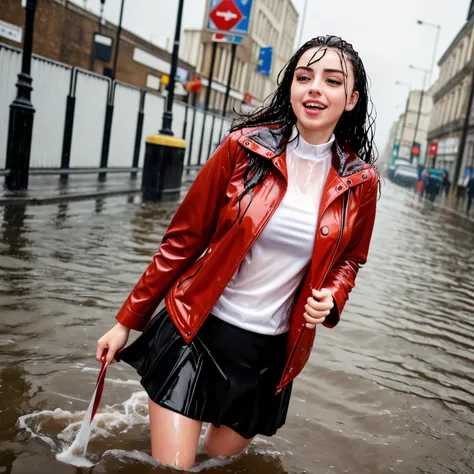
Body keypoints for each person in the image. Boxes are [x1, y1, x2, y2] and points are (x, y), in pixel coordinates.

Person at [96, 35, 379, 469]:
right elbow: (182, 241)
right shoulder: (243, 149)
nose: (315, 88)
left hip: (266, 358)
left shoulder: (361, 183)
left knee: (216, 465)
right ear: (291, 88)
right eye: (304, 77)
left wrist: (334, 295)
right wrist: (125, 322)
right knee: (173, 468)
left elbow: (351, 258)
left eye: (332, 81)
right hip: (196, 330)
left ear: (352, 99)